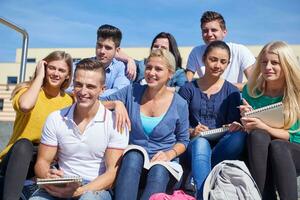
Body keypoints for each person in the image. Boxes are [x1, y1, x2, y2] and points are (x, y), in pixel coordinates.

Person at [29, 58, 128, 200]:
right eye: (78, 85)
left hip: (95, 188)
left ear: (102, 89)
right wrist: (47, 175)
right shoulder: (55, 118)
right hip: (62, 183)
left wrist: (78, 191)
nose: (83, 91)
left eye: (90, 86)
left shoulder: (115, 122)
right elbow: (42, 162)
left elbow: (112, 174)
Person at [101, 49, 190, 200]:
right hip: (132, 165)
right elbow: (98, 104)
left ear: (170, 74)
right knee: (133, 155)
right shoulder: (132, 91)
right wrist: (116, 103)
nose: (151, 72)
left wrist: (168, 154)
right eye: (149, 67)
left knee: (159, 169)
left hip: (164, 166)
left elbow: (183, 140)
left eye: (158, 69)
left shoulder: (180, 104)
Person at [0, 51, 74, 200]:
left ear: (68, 75)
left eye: (61, 70)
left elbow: (92, 103)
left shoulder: (69, 101)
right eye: (51, 68)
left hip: (46, 159)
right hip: (17, 157)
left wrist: (116, 103)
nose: (55, 73)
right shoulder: (26, 90)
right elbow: (26, 105)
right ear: (44, 67)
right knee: (25, 145)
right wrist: (39, 76)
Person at [178, 41, 246, 200]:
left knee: (241, 136)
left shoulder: (232, 92)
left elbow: (234, 124)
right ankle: (204, 195)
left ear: (228, 64)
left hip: (221, 147)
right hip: (193, 146)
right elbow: (177, 124)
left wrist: (233, 126)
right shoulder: (187, 89)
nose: (218, 65)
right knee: (201, 143)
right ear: (204, 59)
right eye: (213, 59)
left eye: (223, 62)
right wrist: (192, 131)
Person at [240, 41, 300, 200]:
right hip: (260, 149)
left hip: (293, 151)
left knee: (278, 146)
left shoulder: (297, 93)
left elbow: (296, 136)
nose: (268, 67)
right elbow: (253, 132)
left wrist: (264, 126)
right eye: (264, 62)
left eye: (275, 62)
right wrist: (246, 120)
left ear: (286, 65)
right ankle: (263, 197)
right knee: (257, 135)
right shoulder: (250, 91)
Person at [186, 11, 255, 90]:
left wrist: (222, 88)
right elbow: (188, 82)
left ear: (224, 32)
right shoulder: (196, 52)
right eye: (205, 31)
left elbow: (254, 83)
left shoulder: (240, 51)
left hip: (233, 97)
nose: (209, 34)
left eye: (214, 30)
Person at [116, 32, 188, 90]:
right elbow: (114, 51)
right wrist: (129, 59)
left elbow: (184, 91)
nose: (158, 49)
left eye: (163, 47)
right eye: (156, 46)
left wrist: (163, 90)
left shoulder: (178, 73)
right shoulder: (141, 65)